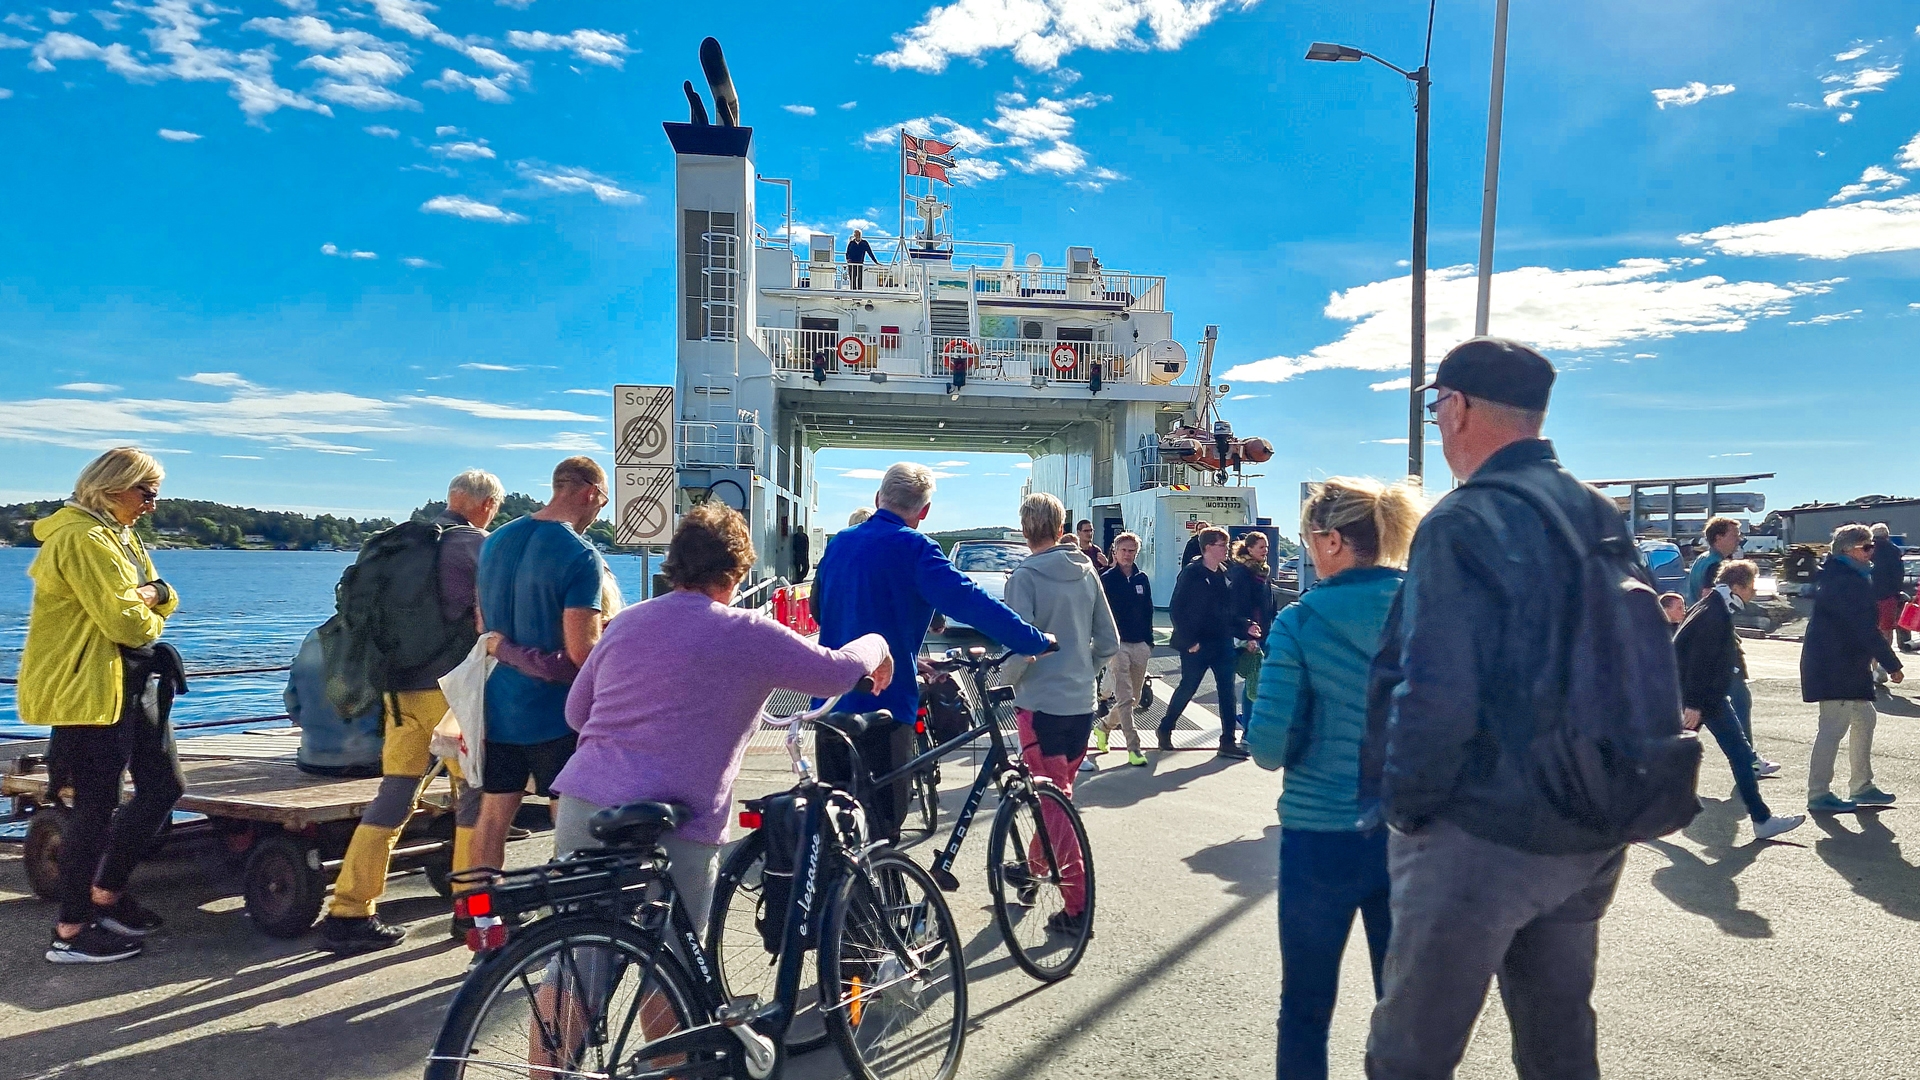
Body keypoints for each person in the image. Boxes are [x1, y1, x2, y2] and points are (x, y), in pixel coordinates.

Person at [1362, 338, 1641, 1078]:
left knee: (1409, 1055)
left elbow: (1434, 684)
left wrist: (1405, 807)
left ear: (1455, 407)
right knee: (1558, 1040)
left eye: (1434, 406)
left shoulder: (1465, 519)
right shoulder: (1596, 511)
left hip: (1482, 829)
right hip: (1590, 818)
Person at [553, 502, 891, 932]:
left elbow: (576, 713)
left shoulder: (626, 622)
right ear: (737, 572)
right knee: (676, 968)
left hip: (587, 803)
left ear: (675, 563)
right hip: (679, 816)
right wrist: (878, 644)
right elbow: (837, 672)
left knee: (578, 960)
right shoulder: (747, 632)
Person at [1245, 476, 1421, 1080]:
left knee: (1305, 1009)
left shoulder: (1300, 622)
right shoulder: (1425, 607)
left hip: (1319, 834)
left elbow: (1267, 746)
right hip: (1411, 833)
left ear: (1333, 543)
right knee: (1402, 1011)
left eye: (1308, 539)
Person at [812, 463, 1050, 840]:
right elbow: (969, 601)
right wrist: (1033, 639)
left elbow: (819, 612)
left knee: (832, 825)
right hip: (884, 705)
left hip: (829, 702)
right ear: (923, 512)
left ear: (878, 499)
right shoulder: (916, 548)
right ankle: (878, 895)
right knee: (882, 828)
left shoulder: (840, 542)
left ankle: (831, 896)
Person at [317, 469, 501, 952]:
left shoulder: (398, 543)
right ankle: (471, 913)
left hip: (398, 691)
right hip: (453, 695)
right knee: (474, 799)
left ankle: (349, 911)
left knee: (396, 793)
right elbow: (491, 620)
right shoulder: (476, 546)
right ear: (485, 506)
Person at [20, 448, 185, 964]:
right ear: (115, 487)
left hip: (131, 682)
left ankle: (105, 895)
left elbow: (163, 591)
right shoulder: (82, 538)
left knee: (163, 787)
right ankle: (69, 932)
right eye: (147, 492)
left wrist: (153, 596)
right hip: (89, 690)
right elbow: (128, 624)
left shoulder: (120, 535)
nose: (152, 505)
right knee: (93, 808)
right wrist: (152, 605)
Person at [471, 457, 610, 879]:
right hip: (556, 714)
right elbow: (582, 654)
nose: (598, 511)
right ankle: (570, 918)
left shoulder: (495, 541)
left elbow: (483, 628)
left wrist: (507, 650)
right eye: (602, 502)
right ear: (590, 493)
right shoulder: (580, 555)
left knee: (493, 814)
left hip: (497, 708)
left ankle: (479, 915)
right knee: (568, 816)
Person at [1002, 493, 1117, 936]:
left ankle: (1077, 905)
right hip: (1080, 702)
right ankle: (1032, 868)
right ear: (1061, 523)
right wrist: (1084, 666)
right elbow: (1108, 639)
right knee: (1059, 795)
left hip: (1041, 702)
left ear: (1025, 527)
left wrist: (1005, 676)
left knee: (1056, 805)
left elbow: (1024, 642)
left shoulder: (1025, 577)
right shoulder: (1087, 571)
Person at [1674, 560, 1805, 842]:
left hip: (1703, 696)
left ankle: (1647, 810)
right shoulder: (1715, 613)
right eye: (1751, 587)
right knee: (1740, 756)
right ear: (1736, 587)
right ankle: (1761, 819)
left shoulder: (1710, 605)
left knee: (1685, 757)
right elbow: (1699, 661)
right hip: (1706, 699)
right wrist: (1694, 704)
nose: (1753, 592)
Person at [1802, 523, 1902, 813]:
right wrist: (1891, 663)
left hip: (1840, 664)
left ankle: (1861, 785)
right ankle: (1819, 793)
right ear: (1849, 550)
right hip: (1836, 666)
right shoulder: (1847, 581)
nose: (1872, 552)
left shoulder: (1842, 575)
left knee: (1864, 718)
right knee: (1833, 728)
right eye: (1867, 547)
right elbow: (1864, 628)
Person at [1158, 526, 1245, 759]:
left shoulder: (1226, 574)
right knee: (1188, 687)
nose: (1226, 549)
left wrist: (1245, 627)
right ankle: (1166, 728)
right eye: (1222, 545)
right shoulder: (1192, 573)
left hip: (1222, 642)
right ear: (1208, 548)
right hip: (1197, 644)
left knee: (1228, 692)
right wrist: (1189, 641)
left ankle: (1228, 741)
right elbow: (1177, 608)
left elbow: (1230, 610)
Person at [1097, 531, 1153, 767]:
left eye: (1132, 551)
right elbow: (1097, 612)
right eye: (1124, 550)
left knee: (1135, 697)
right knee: (1125, 696)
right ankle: (1134, 747)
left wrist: (1149, 642)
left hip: (1139, 642)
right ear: (1115, 552)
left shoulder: (1142, 579)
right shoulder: (1106, 579)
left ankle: (1104, 727)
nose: (1127, 555)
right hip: (1116, 644)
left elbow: (1148, 610)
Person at [1229, 531, 1279, 718]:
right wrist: (1249, 635)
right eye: (1261, 547)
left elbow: (1269, 603)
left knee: (1256, 679)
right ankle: (1248, 725)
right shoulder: (1242, 573)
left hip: (1264, 631)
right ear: (1249, 549)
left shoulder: (1262, 570)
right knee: (1253, 679)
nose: (1265, 550)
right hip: (1252, 632)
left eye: (1266, 547)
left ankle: (1248, 721)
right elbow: (1241, 605)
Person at [1869, 523, 1903, 681]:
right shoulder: (1894, 550)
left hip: (1868, 596)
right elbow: (1899, 575)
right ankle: (1883, 665)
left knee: (1870, 631)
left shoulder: (1866, 549)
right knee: (1886, 631)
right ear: (1887, 535)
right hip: (1888, 597)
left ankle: (1874, 666)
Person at [1688, 516, 1742, 600]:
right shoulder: (1716, 565)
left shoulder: (1702, 558)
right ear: (1719, 538)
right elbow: (1708, 595)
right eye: (1734, 536)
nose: (1738, 539)